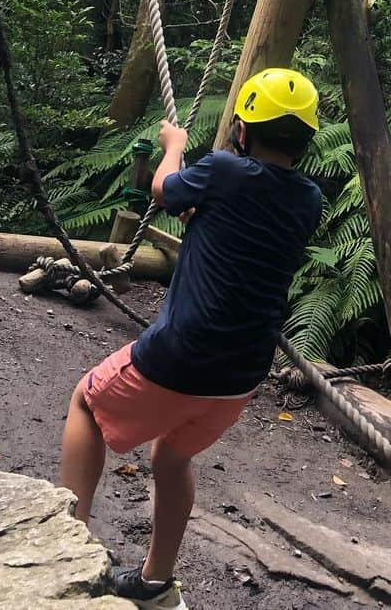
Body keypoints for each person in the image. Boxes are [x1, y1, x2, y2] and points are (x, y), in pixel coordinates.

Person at [59, 68, 323, 610]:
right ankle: (156, 585)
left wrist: (174, 144)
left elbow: (163, 189)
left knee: (86, 401)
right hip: (242, 376)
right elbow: (242, 222)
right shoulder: (308, 199)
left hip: (183, 354)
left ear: (243, 131)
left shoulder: (224, 171)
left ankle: (65, 553)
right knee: (170, 459)